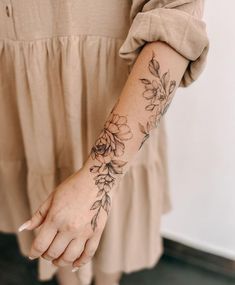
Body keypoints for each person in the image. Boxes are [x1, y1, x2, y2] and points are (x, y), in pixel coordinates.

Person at [0, 1, 209, 285]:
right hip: (24, 92)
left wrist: (98, 176)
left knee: (108, 220)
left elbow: (176, 22)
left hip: (116, 96)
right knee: (52, 213)